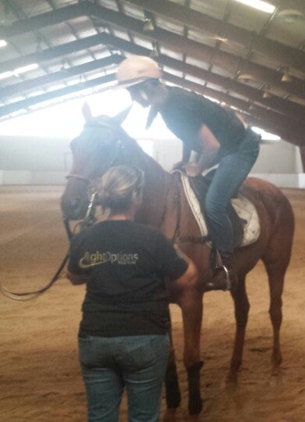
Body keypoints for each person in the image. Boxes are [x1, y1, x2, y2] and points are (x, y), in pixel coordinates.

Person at [115, 55, 261, 291]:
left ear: (145, 88)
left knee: (213, 203)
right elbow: (190, 135)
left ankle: (226, 264)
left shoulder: (175, 106)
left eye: (132, 91)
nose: (131, 97)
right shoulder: (165, 105)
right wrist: (185, 161)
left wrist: (198, 167)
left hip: (241, 148)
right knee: (200, 188)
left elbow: (211, 146)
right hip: (225, 147)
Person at [66, 165, 198, 422]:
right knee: (144, 416)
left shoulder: (85, 236)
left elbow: (74, 276)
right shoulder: (153, 239)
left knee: (100, 415)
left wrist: (103, 266)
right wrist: (173, 251)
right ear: (136, 196)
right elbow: (189, 275)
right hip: (144, 338)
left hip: (95, 337)